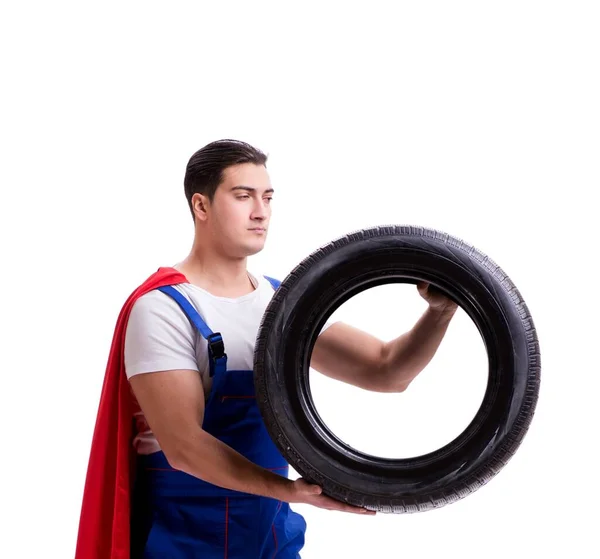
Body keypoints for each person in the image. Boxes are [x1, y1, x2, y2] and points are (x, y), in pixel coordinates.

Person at [74, 139, 458, 559]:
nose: (261, 212)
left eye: (268, 198)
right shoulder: (163, 309)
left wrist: (440, 312)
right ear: (201, 206)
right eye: (243, 197)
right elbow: (184, 446)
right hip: (183, 539)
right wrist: (293, 490)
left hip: (270, 537)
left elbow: (388, 371)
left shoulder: (282, 305)